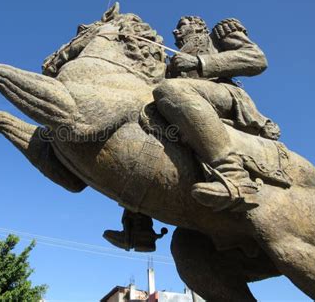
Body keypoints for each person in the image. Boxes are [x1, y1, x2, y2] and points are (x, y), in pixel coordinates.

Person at [103, 16, 280, 251]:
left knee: (171, 89)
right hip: (186, 110)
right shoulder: (170, 63)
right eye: (176, 26)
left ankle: (234, 176)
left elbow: (256, 59)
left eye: (182, 24)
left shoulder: (218, 34)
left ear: (199, 26)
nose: (176, 30)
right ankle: (139, 227)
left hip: (223, 96)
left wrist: (200, 62)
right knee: (147, 132)